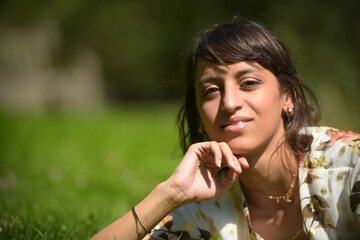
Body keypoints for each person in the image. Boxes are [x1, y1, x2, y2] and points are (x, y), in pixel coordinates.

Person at [91, 18, 360, 240]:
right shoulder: (202, 205)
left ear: (287, 96)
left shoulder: (350, 167)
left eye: (249, 83)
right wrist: (171, 193)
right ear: (198, 114)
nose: (229, 103)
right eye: (211, 91)